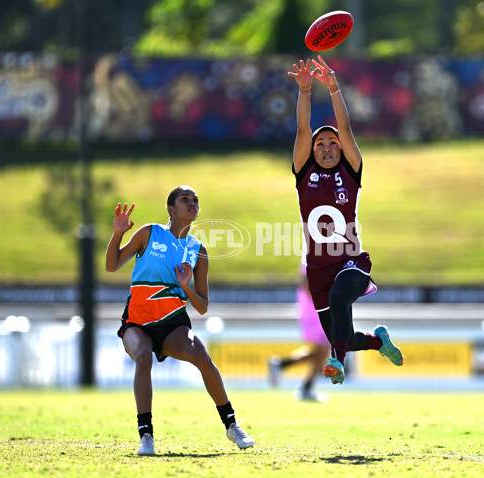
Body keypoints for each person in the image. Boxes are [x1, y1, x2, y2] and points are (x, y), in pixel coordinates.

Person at [105, 186, 254, 455]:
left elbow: (203, 306)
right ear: (171, 210)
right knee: (143, 357)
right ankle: (146, 435)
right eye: (185, 199)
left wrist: (186, 287)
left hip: (173, 324)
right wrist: (117, 234)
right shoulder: (150, 233)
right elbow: (112, 264)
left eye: (195, 200)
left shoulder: (199, 250)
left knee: (203, 357)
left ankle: (232, 426)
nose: (192, 203)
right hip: (137, 322)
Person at [288, 55, 404, 385]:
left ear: (341, 149)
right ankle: (379, 341)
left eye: (332, 143)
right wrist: (306, 91)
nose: (326, 146)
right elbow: (301, 129)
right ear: (312, 151)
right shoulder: (303, 172)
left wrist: (334, 88)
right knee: (346, 336)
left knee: (340, 299)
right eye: (320, 143)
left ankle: (335, 362)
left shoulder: (349, 172)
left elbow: (346, 128)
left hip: (351, 262)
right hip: (318, 270)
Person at [268, 266, 330, 402]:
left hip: (315, 309)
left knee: (322, 351)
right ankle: (284, 367)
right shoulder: (312, 259)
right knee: (323, 349)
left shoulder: (317, 258)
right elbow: (306, 284)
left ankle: (284, 368)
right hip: (315, 311)